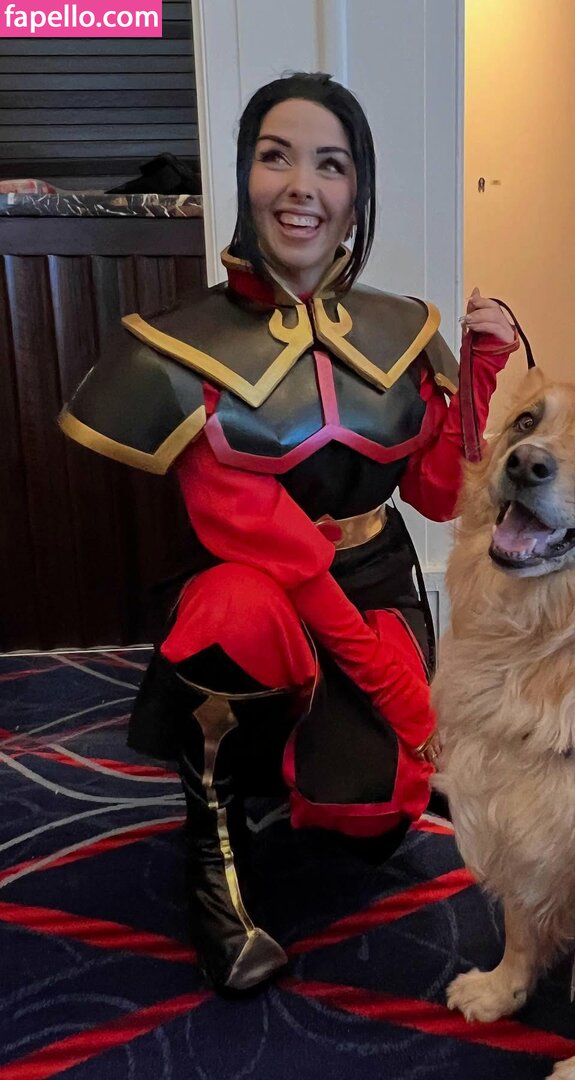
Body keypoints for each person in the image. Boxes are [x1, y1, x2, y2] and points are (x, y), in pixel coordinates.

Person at [59, 72, 518, 994]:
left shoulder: (403, 331)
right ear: (246, 176)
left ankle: (304, 769)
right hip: (261, 589)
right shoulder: (181, 345)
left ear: (357, 191)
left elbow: (436, 496)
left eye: (330, 165)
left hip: (371, 572)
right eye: (277, 158)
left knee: (374, 817)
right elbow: (281, 549)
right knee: (235, 615)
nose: (302, 186)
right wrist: (402, 694)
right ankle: (215, 850)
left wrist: (477, 373)